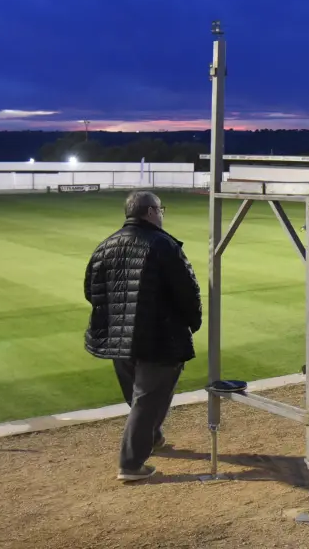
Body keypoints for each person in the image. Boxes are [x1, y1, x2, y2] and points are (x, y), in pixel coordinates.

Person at [83, 190, 202, 482]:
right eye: (161, 209)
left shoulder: (106, 245)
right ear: (150, 212)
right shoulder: (163, 244)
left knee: (140, 397)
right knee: (148, 400)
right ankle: (131, 464)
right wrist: (193, 322)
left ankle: (153, 437)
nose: (162, 214)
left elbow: (91, 291)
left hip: (117, 337)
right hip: (158, 337)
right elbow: (187, 290)